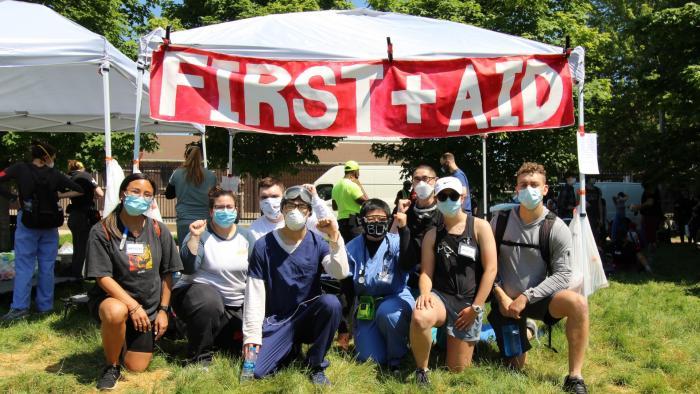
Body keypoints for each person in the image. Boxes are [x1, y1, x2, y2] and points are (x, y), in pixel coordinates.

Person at [488, 162, 589, 394]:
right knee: (514, 367)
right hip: (505, 302)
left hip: (538, 299)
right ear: (516, 189)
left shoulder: (555, 227)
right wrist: (501, 295)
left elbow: (563, 274)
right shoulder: (499, 222)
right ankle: (528, 330)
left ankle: (575, 377)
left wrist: (527, 296)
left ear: (545, 189)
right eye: (523, 184)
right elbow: (486, 265)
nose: (529, 189)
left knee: (578, 303)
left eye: (535, 184)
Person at [84, 173, 182, 390]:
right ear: (123, 195)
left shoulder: (158, 229)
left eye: (147, 194)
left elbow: (168, 273)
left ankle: (124, 339)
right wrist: (132, 306)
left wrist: (164, 310)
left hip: (148, 310)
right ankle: (111, 366)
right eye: (135, 192)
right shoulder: (102, 231)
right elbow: (102, 277)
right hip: (115, 302)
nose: (141, 197)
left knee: (136, 367)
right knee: (115, 312)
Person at [242, 186, 349, 385]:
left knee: (331, 304)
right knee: (257, 372)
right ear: (282, 209)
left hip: (309, 317)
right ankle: (291, 349)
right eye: (290, 205)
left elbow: (340, 272)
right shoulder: (263, 246)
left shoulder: (318, 243)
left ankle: (315, 364)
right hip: (278, 320)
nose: (295, 210)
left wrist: (334, 238)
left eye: (301, 206)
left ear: (309, 212)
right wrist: (251, 337)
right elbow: (254, 295)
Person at [410, 177, 497, 384]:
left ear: (463, 197)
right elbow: (426, 273)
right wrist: (424, 294)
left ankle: (481, 337)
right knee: (420, 316)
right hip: (441, 297)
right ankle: (422, 370)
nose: (448, 199)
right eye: (443, 196)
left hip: (468, 302)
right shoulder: (432, 234)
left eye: (453, 195)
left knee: (457, 370)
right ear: (436, 199)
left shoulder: (480, 227)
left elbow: (491, 269)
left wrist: (476, 308)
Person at [172, 186, 256, 366]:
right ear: (211, 211)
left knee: (233, 346)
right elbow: (187, 268)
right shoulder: (201, 234)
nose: (225, 211)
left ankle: (213, 338)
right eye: (219, 207)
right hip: (198, 298)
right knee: (208, 301)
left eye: (229, 206)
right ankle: (200, 358)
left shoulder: (247, 236)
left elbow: (256, 273)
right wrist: (194, 238)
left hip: (235, 303)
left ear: (236, 210)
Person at [0, 141, 83, 321]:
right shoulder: (55, 174)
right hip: (50, 224)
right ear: (47, 157)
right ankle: (45, 306)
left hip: (28, 222)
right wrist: (59, 195)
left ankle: (20, 308)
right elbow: (79, 190)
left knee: (24, 267)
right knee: (47, 267)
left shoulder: (20, 168)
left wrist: (11, 197)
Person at [345, 198, 414, 370]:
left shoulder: (396, 242)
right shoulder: (351, 247)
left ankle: (397, 358)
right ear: (362, 221)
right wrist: (345, 327)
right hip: (367, 305)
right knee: (369, 359)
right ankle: (383, 343)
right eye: (371, 219)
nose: (377, 223)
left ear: (389, 220)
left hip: (395, 298)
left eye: (382, 219)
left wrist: (404, 230)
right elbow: (345, 287)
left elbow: (408, 265)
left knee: (388, 314)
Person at [249, 177, 334, 241]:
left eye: (274, 196)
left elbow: (331, 227)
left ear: (284, 197)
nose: (269, 201)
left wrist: (315, 198)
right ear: (258, 199)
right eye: (264, 197)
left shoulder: (303, 219)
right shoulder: (254, 229)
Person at [165, 144, 217, 246]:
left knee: (186, 253)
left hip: (184, 220)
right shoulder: (211, 175)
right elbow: (214, 197)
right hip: (205, 220)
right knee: (205, 253)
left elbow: (169, 195)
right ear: (202, 157)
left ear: (186, 156)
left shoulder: (177, 174)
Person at [67, 160, 104, 279]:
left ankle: (76, 272)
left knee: (78, 244)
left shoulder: (69, 178)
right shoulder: (88, 176)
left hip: (76, 214)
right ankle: (87, 272)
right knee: (89, 243)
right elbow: (100, 193)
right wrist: (91, 195)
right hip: (88, 214)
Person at [332, 160, 368, 243]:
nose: (359, 174)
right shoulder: (352, 185)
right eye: (358, 172)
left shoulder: (336, 186)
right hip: (353, 222)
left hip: (341, 222)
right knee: (358, 246)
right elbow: (366, 202)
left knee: (345, 248)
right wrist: (359, 185)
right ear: (354, 172)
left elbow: (334, 207)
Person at [631, 183, 663, 255]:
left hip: (651, 216)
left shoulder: (652, 190)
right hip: (648, 216)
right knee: (648, 235)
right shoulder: (649, 190)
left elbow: (650, 202)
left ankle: (652, 253)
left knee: (651, 236)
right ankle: (650, 252)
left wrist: (638, 207)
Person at [585, 178, 604, 245]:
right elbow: (578, 203)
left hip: (595, 217)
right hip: (586, 217)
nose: (595, 179)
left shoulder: (598, 190)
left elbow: (600, 205)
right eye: (593, 177)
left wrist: (601, 218)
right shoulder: (582, 189)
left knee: (595, 236)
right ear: (589, 179)